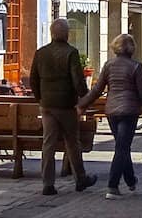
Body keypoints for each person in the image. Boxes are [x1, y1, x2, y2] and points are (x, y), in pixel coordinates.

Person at [79, 32, 142, 199]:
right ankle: (112, 186)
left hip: (112, 111)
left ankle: (130, 180)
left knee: (122, 147)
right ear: (131, 48)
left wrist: (82, 105)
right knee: (122, 148)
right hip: (129, 111)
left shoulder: (108, 65)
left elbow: (97, 90)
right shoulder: (136, 66)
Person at [29, 19, 97, 197]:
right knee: (72, 142)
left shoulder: (41, 53)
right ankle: (80, 179)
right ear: (66, 34)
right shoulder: (71, 52)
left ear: (52, 33)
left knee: (48, 143)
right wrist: (83, 96)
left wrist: (40, 98)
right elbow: (77, 80)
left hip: (47, 105)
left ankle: (48, 184)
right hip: (66, 105)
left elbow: (33, 79)